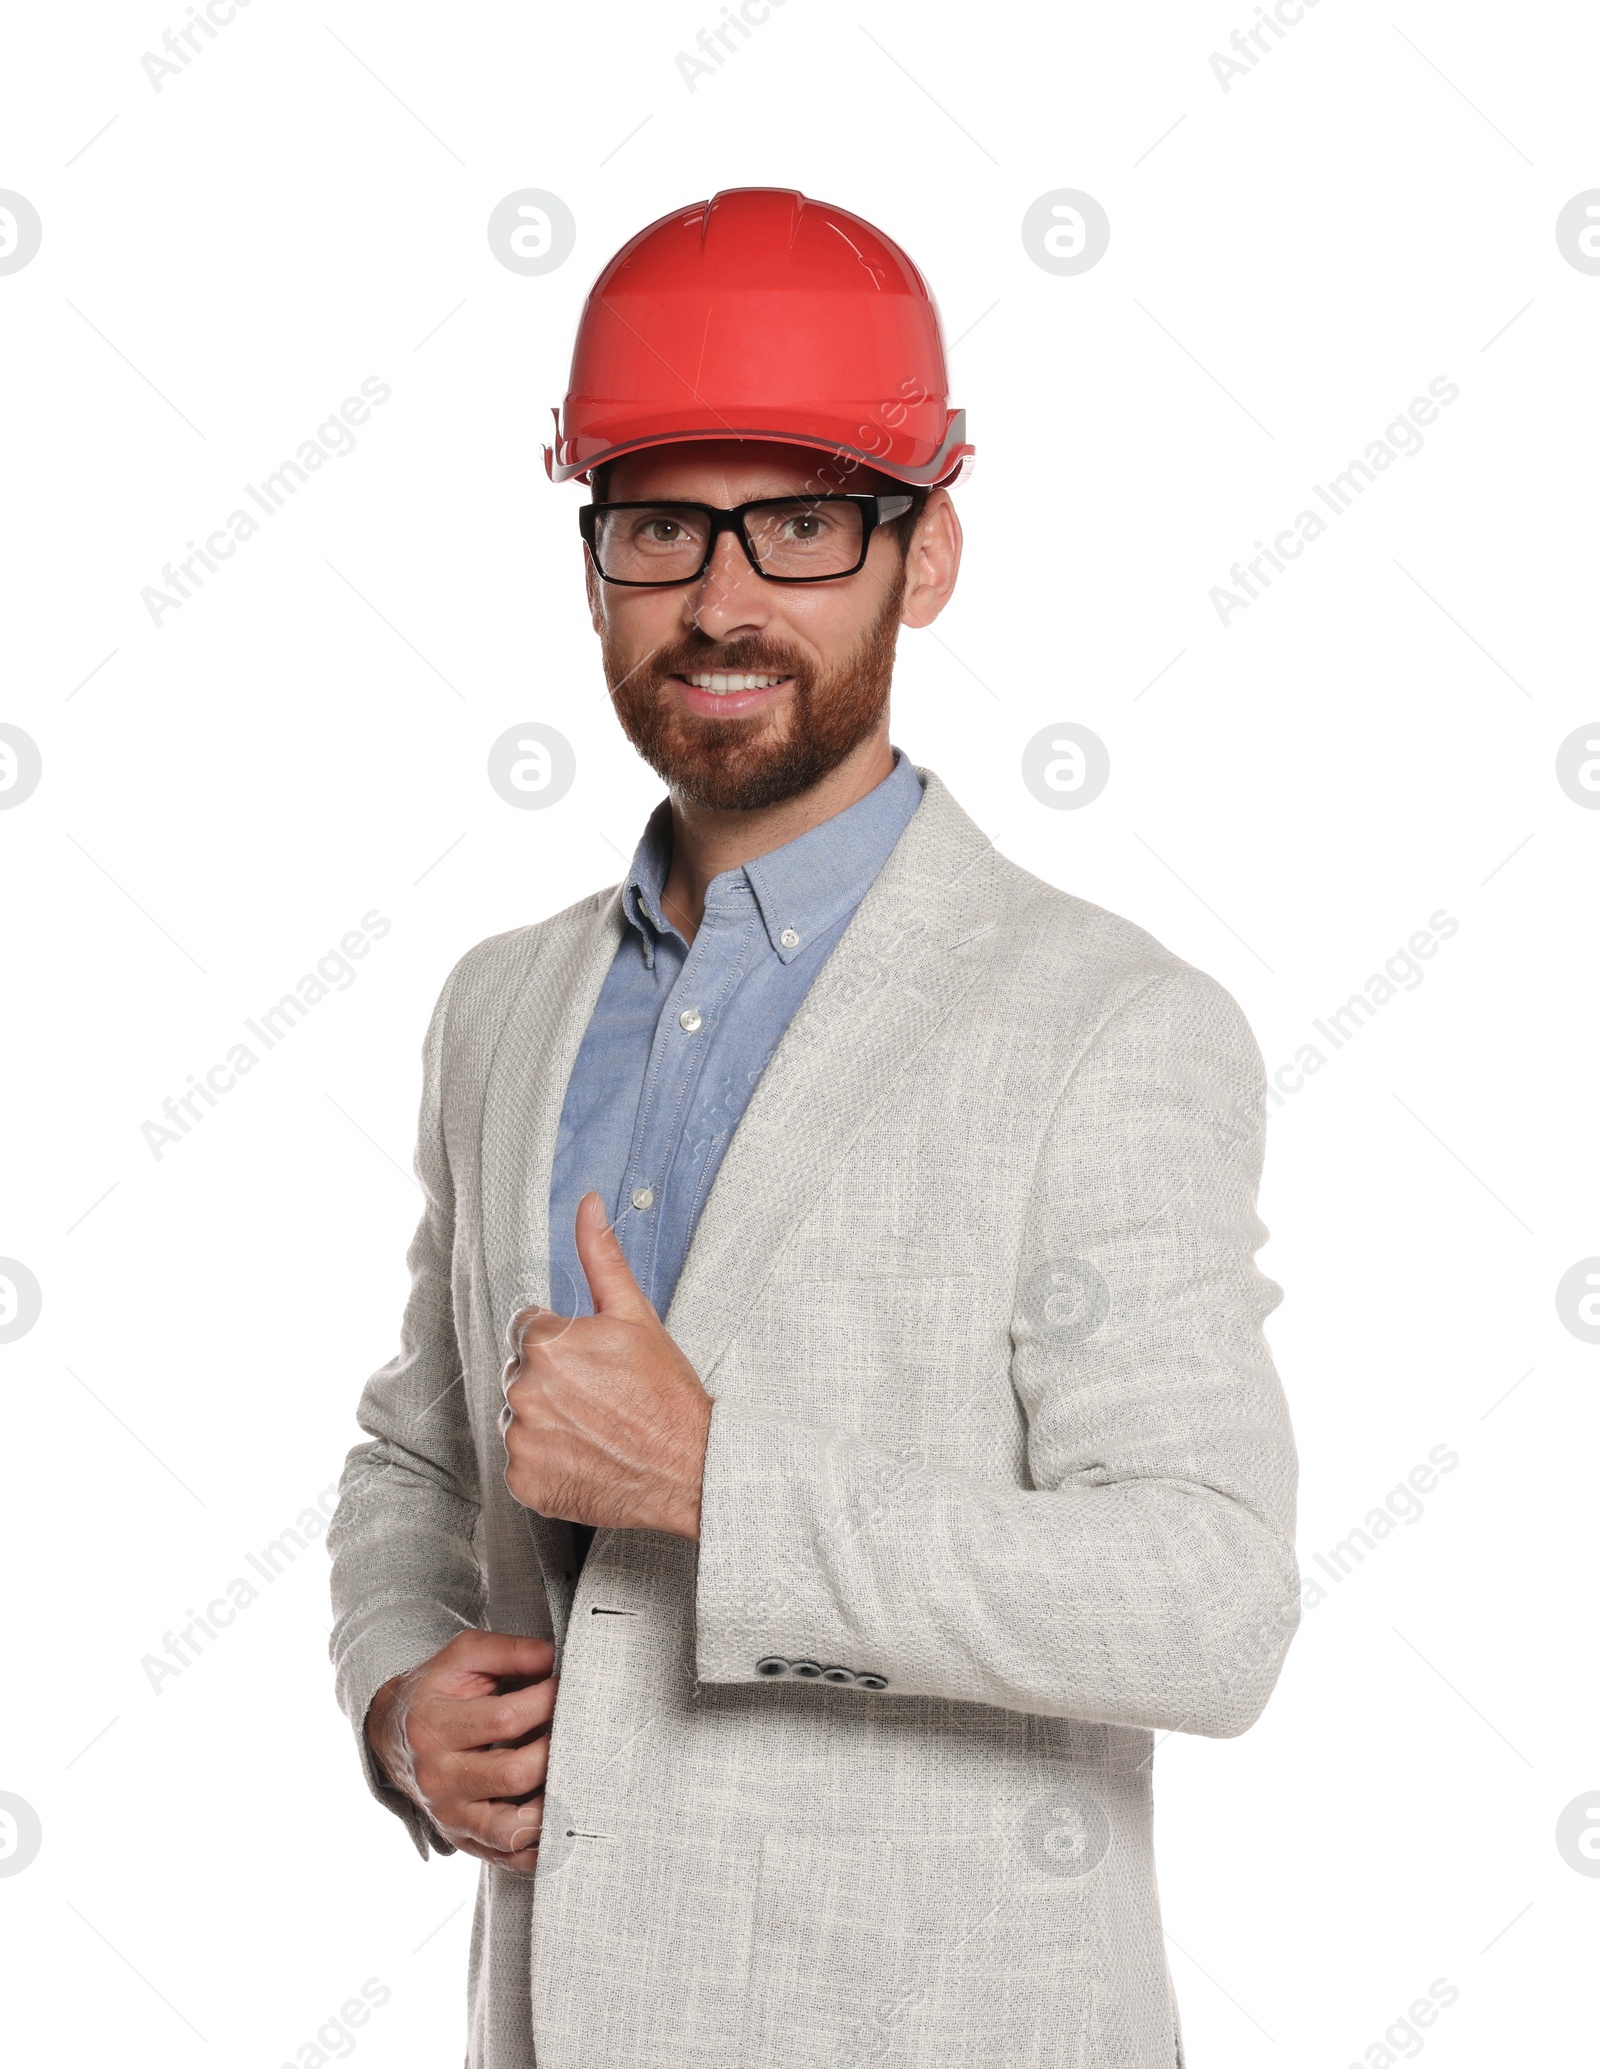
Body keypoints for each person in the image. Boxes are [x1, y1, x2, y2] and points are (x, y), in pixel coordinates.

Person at [327, 186, 1300, 2069]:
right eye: (661, 524)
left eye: (801, 522)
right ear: (593, 555)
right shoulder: (501, 1007)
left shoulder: (1107, 1025)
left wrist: (720, 1484)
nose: (721, 596)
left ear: (923, 555)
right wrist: (394, 1693)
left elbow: (1210, 1597)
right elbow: (415, 1454)